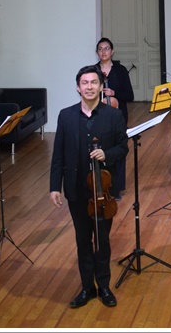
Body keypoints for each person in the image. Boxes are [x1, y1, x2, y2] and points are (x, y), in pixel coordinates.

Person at [49, 65, 129, 309]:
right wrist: (54, 187)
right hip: (76, 189)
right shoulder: (66, 116)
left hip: (103, 191)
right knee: (83, 240)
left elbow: (123, 147)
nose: (89, 87)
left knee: (102, 241)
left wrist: (107, 154)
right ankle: (87, 288)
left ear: (101, 87)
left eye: (94, 82)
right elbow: (58, 154)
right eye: (85, 83)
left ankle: (103, 286)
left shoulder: (113, 115)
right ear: (78, 87)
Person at [95, 37, 135, 199]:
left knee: (118, 150)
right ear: (97, 52)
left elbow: (130, 95)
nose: (103, 52)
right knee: (99, 151)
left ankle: (116, 189)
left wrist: (114, 93)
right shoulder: (93, 71)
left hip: (119, 117)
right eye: (100, 49)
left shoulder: (120, 70)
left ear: (112, 51)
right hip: (97, 117)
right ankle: (100, 186)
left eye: (106, 48)